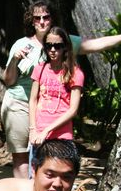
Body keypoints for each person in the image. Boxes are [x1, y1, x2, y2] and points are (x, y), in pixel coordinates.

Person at [1, 0, 121, 179]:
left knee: (48, 158)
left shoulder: (62, 41)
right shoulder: (21, 44)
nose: (42, 21)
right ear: (32, 20)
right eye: (37, 18)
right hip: (19, 104)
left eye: (46, 17)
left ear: (52, 19)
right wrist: (15, 59)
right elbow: (9, 80)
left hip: (47, 109)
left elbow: (96, 44)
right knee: (21, 157)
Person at [29, 26, 84, 157]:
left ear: (65, 47)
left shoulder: (75, 72)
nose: (52, 50)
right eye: (49, 46)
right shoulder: (39, 69)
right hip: (38, 133)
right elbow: (33, 100)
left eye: (57, 46)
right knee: (36, 174)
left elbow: (73, 110)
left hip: (61, 134)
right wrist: (33, 129)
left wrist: (46, 131)